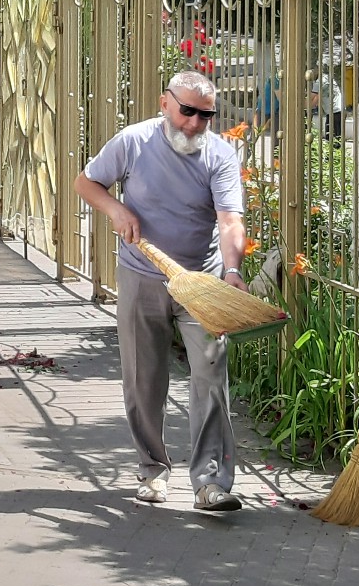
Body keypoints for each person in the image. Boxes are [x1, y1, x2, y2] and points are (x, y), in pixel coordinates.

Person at [72, 69, 248, 511]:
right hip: (141, 275)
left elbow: (230, 220)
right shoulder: (132, 142)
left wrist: (231, 270)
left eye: (205, 115)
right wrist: (115, 209)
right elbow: (85, 183)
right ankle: (152, 470)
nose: (194, 123)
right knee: (143, 378)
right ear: (164, 103)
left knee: (210, 375)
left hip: (202, 282)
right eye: (186, 111)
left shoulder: (220, 154)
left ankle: (211, 483)